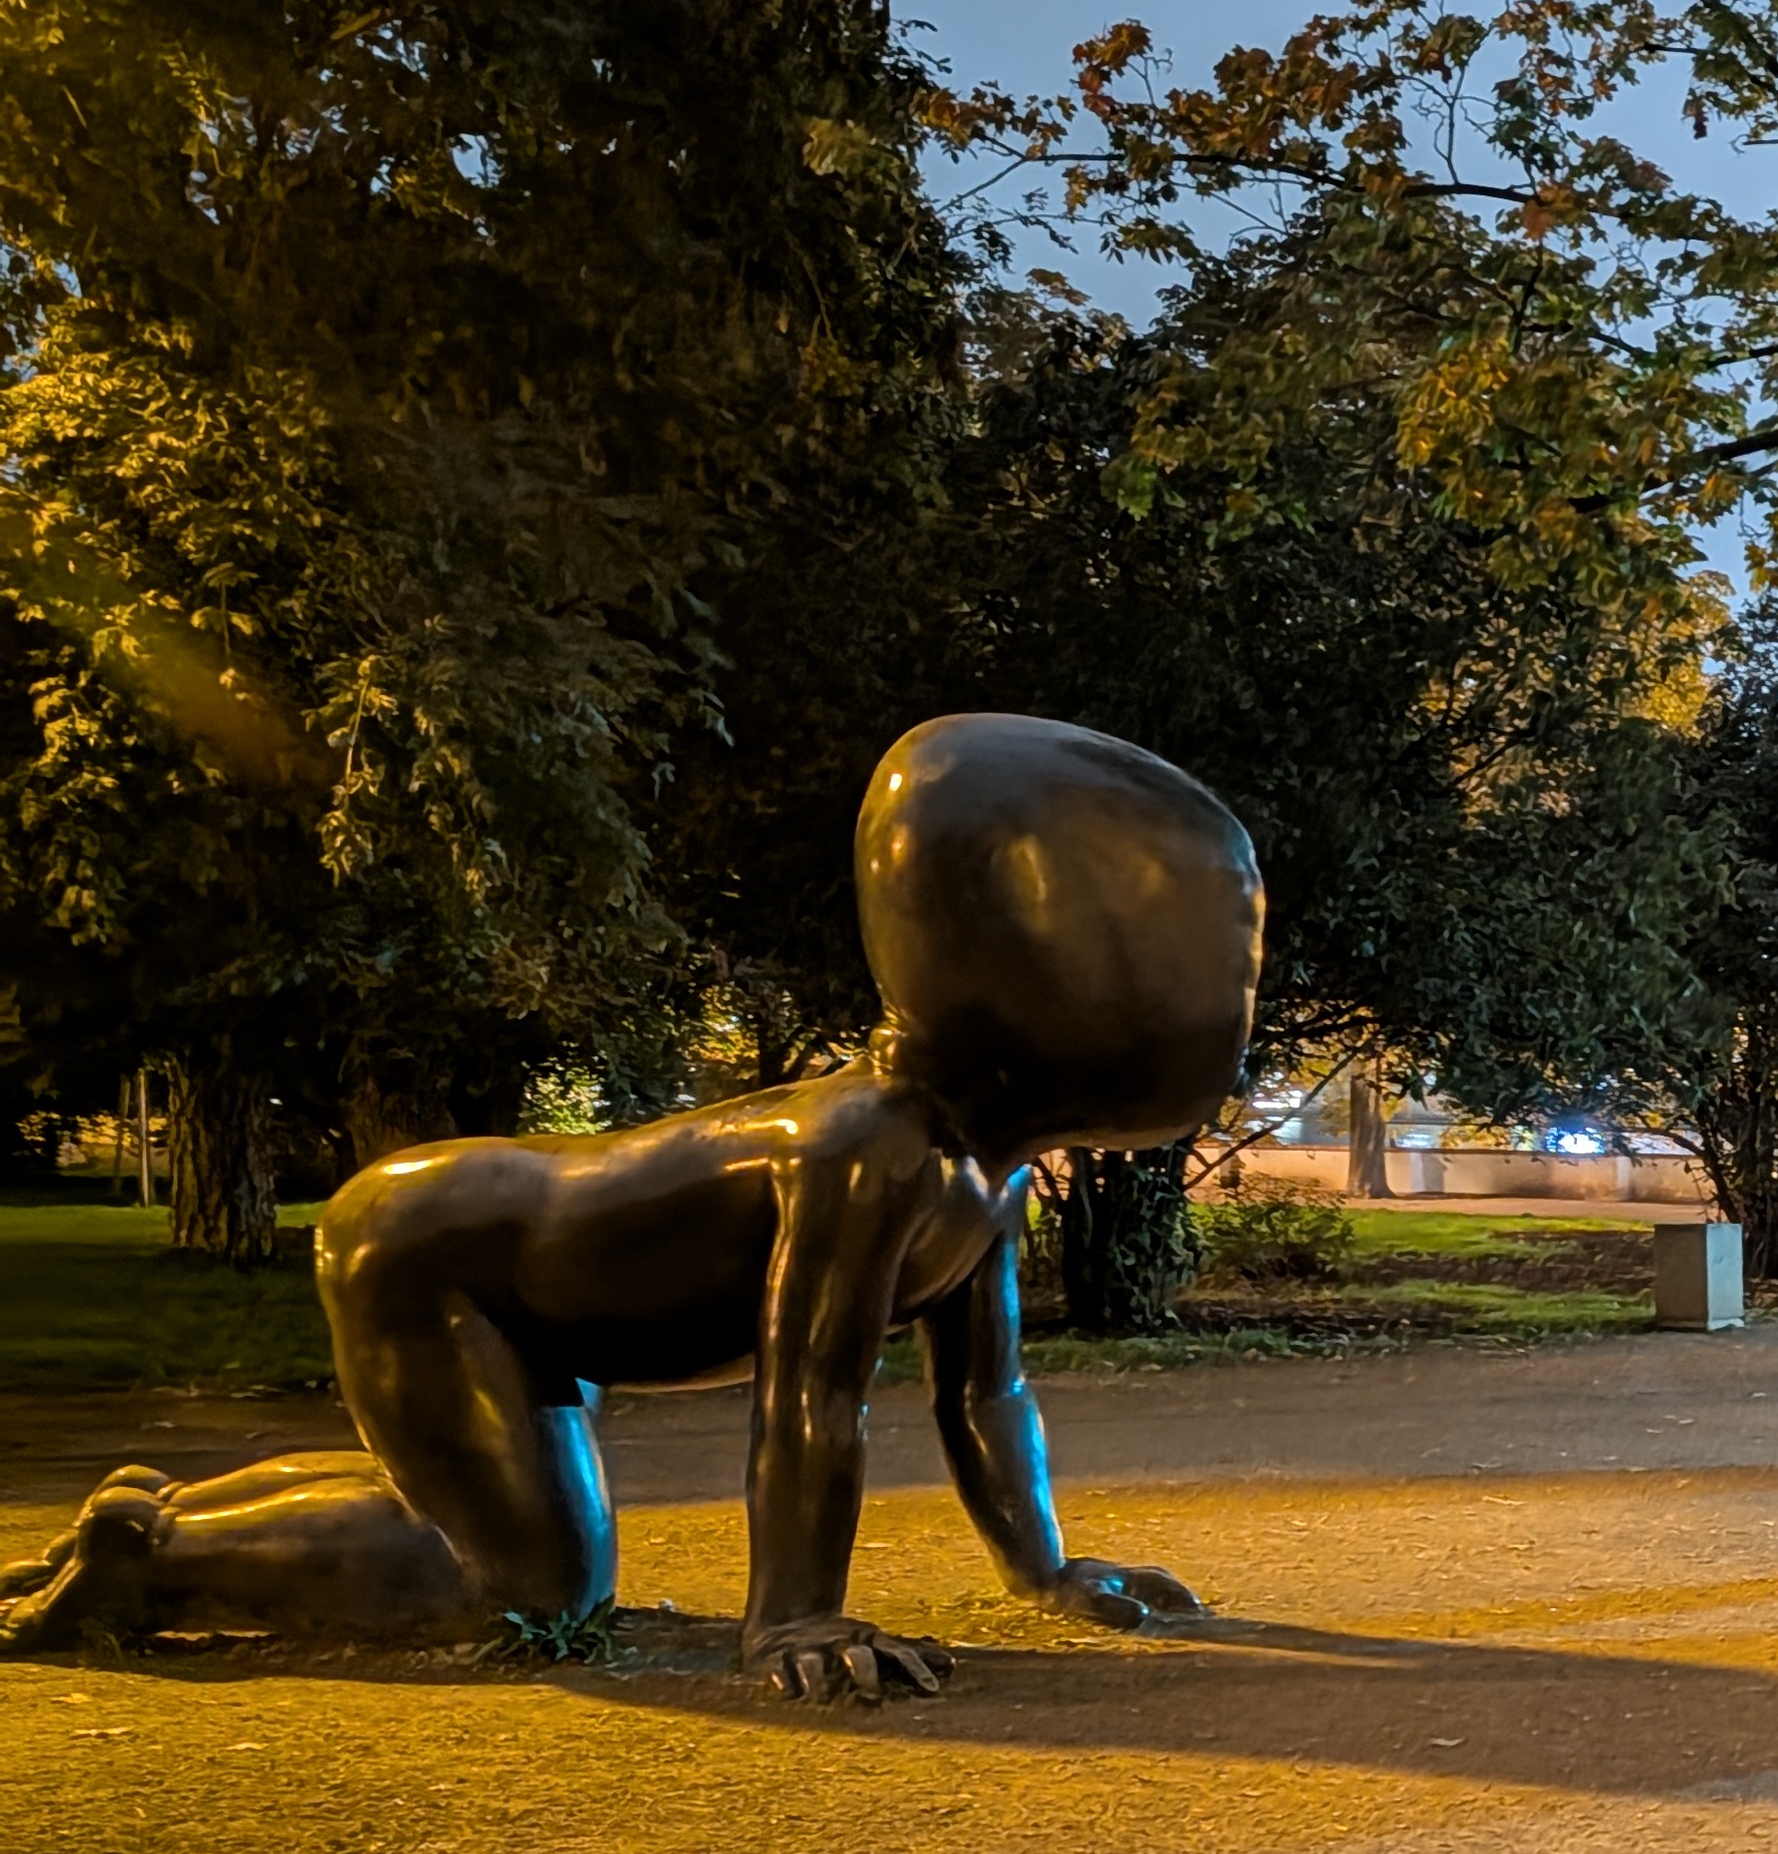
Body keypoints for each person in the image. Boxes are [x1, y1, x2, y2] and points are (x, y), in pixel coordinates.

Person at [1, 715, 1260, 1699]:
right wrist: (794, 1619)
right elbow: (809, 1392)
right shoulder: (870, 1151)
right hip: (446, 1253)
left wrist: (1045, 1570)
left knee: (503, 1527)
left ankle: (157, 1521)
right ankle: (151, 1560)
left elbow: (983, 1392)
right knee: (520, 1590)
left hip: (508, 1269)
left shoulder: (983, 1172)